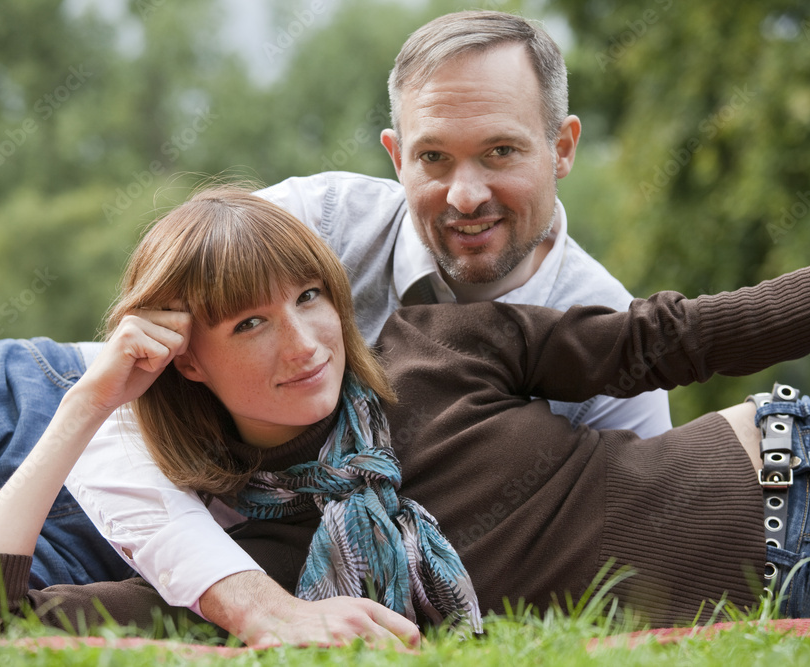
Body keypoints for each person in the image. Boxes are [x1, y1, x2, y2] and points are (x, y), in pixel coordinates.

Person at [0, 186, 810, 647]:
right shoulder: (254, 571)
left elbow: (695, 333)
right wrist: (91, 401)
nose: (307, 341)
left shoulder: (435, 348)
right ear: (187, 360)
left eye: (312, 296)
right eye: (252, 321)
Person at [60, 8, 673, 636]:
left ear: (562, 147)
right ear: (396, 154)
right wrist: (258, 606)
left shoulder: (608, 335)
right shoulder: (311, 223)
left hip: (199, 553)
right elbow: (116, 408)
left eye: (500, 151)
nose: (465, 195)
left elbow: (623, 527)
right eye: (433, 156)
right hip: (67, 423)